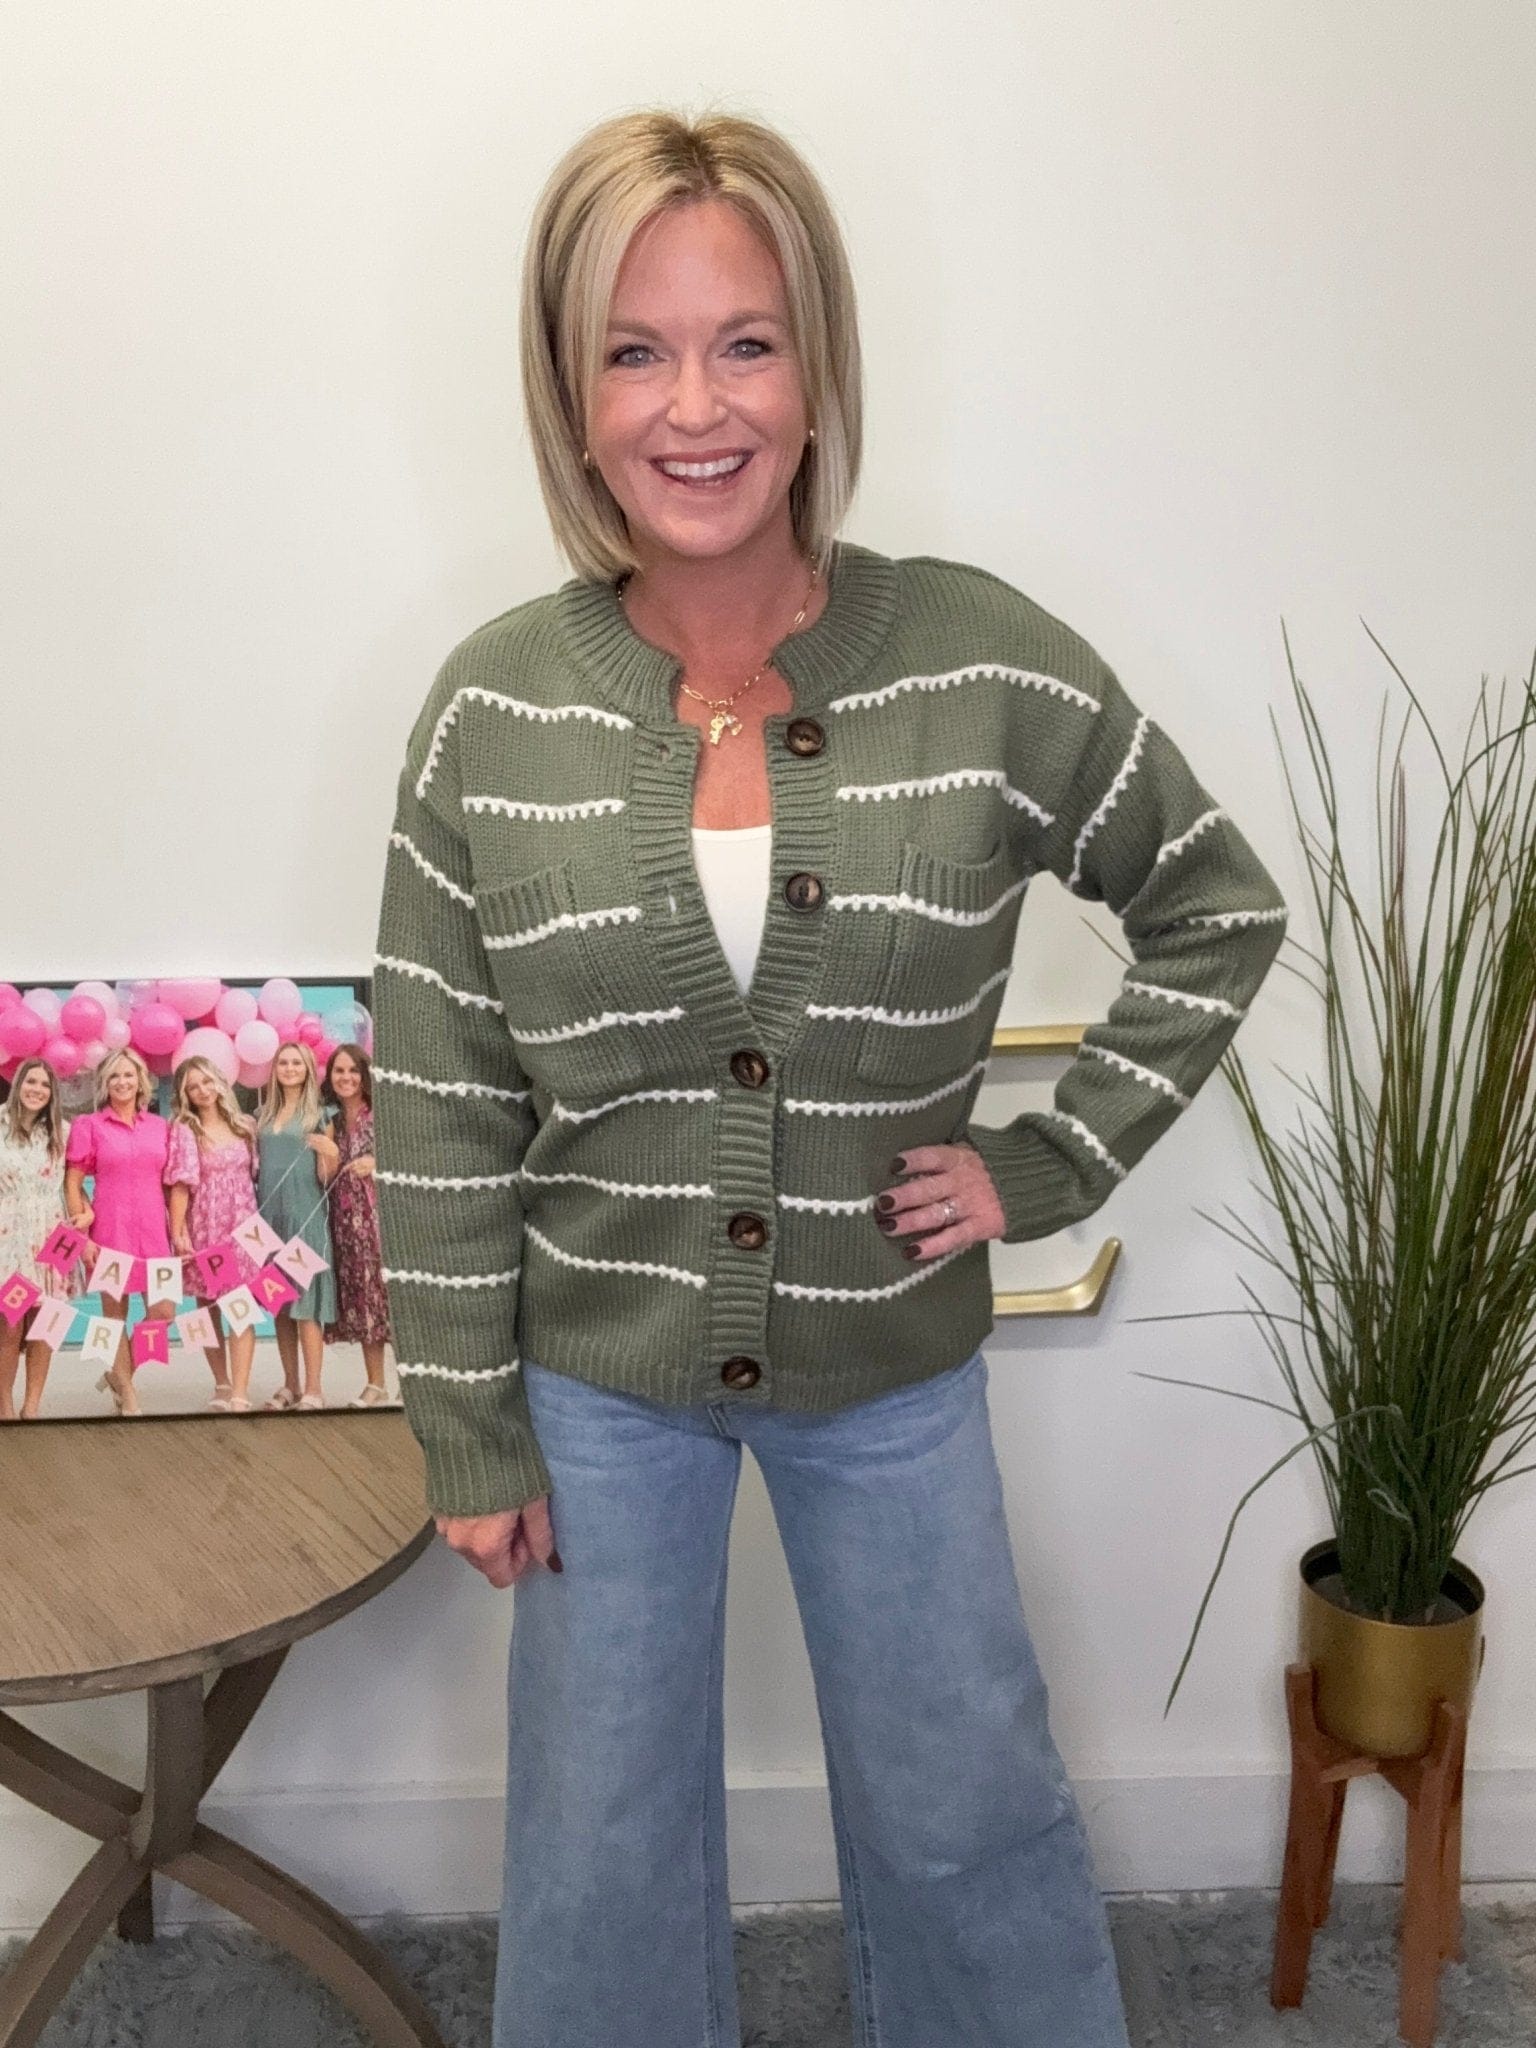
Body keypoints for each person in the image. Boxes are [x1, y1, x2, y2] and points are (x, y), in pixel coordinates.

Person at [371, 110, 1290, 2048]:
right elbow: (443, 1093)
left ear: (817, 366)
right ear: (569, 390)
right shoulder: (490, 712)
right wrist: (466, 1422)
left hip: (886, 1353)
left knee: (966, 1798)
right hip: (597, 1377)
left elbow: (1213, 904)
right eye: (634, 349)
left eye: (746, 342)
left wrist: (1052, 1160)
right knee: (601, 1838)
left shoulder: (981, 666)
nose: (695, 406)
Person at [64, 1047, 175, 1417]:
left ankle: (117, 1373)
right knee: (114, 1317)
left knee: (164, 1312)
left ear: (141, 1080)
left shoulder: (160, 1126)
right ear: (105, 1083)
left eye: (129, 1074)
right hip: (110, 1232)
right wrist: (83, 1237)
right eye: (114, 1076)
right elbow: (73, 1182)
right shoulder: (89, 1126)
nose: (122, 1082)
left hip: (155, 1234)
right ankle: (127, 1393)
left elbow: (172, 1183)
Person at [166, 1053, 263, 1411]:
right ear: (185, 1095)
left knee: (240, 1306)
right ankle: (221, 1383)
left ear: (220, 1082)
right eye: (193, 1087)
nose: (203, 1090)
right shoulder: (185, 1130)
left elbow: (257, 1176)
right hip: (205, 1224)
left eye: (207, 1081)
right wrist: (178, 1231)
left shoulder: (245, 1125)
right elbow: (181, 1185)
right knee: (208, 1309)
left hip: (243, 1226)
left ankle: (240, 1391)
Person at [255, 1040, 338, 1410]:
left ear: (307, 1070)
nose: (289, 1069)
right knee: (280, 1304)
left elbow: (326, 1178)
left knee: (306, 1305)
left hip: (305, 1215)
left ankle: (314, 1388)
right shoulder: (262, 1116)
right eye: (283, 1063)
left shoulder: (320, 1116)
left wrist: (331, 1154)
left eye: (297, 1063)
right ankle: (290, 1384)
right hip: (270, 1220)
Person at [320, 1042, 397, 1408]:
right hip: (347, 1226)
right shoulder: (331, 1121)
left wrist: (376, 1164)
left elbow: (412, 1158)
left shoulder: (384, 1113)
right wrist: (328, 1156)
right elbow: (326, 1177)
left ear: (364, 1074)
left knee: (393, 1300)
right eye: (339, 1070)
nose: (346, 1077)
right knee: (365, 1302)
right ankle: (375, 1384)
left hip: (383, 1221)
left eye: (353, 1070)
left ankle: (410, 1383)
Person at [0, 1058, 74, 1421]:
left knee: (45, 1323)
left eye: (45, 1085)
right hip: (8, 1234)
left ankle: (32, 1407)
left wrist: (85, 1211)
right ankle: (5, 1405)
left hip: (51, 1235)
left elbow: (72, 1182)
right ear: (18, 1085)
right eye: (31, 1082)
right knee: (10, 1324)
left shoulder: (62, 1131)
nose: (37, 1090)